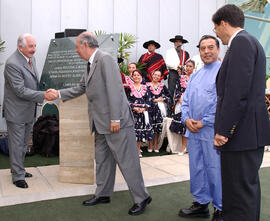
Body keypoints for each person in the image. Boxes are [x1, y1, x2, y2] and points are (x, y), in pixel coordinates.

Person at [48, 32, 151, 215]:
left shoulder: (105, 59)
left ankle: (142, 197)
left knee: (127, 161)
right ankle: (103, 193)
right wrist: (59, 93)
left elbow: (115, 90)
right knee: (102, 160)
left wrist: (115, 119)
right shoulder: (90, 64)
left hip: (114, 121)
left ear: (86, 45)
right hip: (99, 123)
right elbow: (81, 88)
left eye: (77, 46)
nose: (76, 50)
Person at [212, 4, 270, 221]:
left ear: (224, 23)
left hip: (241, 134)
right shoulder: (250, 42)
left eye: (215, 28)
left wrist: (224, 130)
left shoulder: (242, 43)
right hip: (248, 133)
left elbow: (237, 92)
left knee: (239, 193)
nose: (216, 33)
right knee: (245, 190)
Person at [178, 35, 222, 221]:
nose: (206, 51)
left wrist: (204, 121)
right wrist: (186, 118)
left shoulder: (223, 72)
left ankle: (221, 208)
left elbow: (222, 101)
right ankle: (201, 203)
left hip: (212, 130)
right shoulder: (195, 75)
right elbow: (185, 99)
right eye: (203, 48)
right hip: (193, 130)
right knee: (196, 166)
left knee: (215, 168)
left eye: (210, 47)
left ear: (218, 49)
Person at [3, 33, 55, 188]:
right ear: (20, 47)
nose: (34, 49)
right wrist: (43, 95)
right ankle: (18, 176)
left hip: (28, 110)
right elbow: (20, 90)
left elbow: (34, 82)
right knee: (17, 144)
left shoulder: (30, 58)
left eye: (35, 46)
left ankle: (18, 169)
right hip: (16, 111)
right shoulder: (12, 63)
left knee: (24, 143)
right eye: (30, 46)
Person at [169, 60, 195, 155]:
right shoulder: (181, 78)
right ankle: (182, 147)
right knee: (182, 124)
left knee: (191, 124)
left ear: (193, 68)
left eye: (190, 66)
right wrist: (180, 99)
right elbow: (177, 90)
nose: (188, 68)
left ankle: (189, 147)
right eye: (187, 66)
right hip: (182, 101)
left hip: (193, 102)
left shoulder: (196, 78)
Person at [127, 69, 154, 157]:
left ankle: (138, 150)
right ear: (132, 76)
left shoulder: (145, 88)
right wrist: (134, 108)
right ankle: (131, 151)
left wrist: (144, 108)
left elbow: (149, 100)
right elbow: (126, 100)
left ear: (141, 77)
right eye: (134, 75)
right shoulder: (128, 88)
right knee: (132, 132)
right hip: (132, 113)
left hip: (143, 113)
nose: (136, 77)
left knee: (139, 133)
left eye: (138, 75)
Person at [146, 70, 171, 153]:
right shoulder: (147, 86)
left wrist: (163, 99)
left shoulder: (162, 86)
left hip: (159, 109)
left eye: (158, 75)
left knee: (157, 127)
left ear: (160, 77)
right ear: (152, 75)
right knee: (150, 126)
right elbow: (145, 97)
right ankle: (150, 144)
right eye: (155, 75)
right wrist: (154, 100)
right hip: (150, 108)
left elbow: (169, 97)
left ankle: (156, 144)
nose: (156, 77)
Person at [165, 35, 190, 116]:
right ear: (174, 43)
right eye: (176, 42)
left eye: (179, 42)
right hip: (173, 73)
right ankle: (169, 110)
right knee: (171, 91)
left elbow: (188, 64)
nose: (178, 43)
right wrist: (177, 67)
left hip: (183, 74)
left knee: (181, 92)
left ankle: (179, 110)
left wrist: (184, 68)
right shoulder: (169, 51)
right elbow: (168, 63)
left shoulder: (185, 53)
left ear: (182, 43)